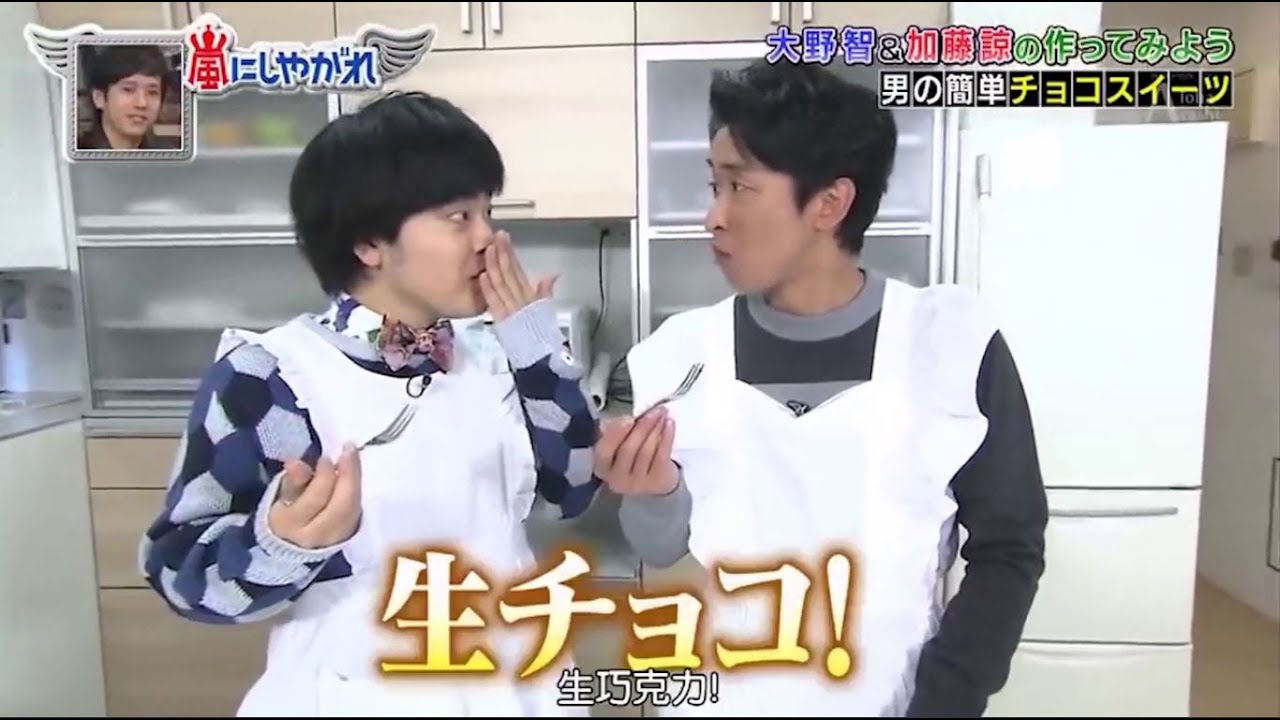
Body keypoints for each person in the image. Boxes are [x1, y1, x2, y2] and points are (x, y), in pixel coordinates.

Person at [594, 59, 1048, 717]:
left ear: (830, 204)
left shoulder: (949, 346)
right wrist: (652, 490)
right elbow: (661, 546)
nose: (712, 217)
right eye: (713, 185)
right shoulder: (680, 355)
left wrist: (947, 699)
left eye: (739, 187)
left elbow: (1009, 549)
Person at [138, 91, 601, 716]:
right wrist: (277, 545)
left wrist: (536, 350)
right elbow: (178, 572)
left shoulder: (495, 353)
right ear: (368, 244)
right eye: (459, 216)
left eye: (487, 211)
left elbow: (572, 489)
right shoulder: (270, 377)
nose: (488, 238)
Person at [77, 44, 180, 151]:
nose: (142, 103)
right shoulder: (75, 154)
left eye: (152, 92)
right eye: (128, 90)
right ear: (99, 98)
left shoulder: (168, 155)